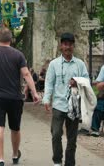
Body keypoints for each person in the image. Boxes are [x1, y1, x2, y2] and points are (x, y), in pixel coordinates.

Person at [0, 28, 40, 166]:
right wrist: (34, 92)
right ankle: (14, 155)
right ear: (11, 39)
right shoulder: (18, 55)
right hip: (15, 97)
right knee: (15, 128)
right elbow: (26, 74)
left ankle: (0, 159)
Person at [43, 32, 89, 166]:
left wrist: (78, 82)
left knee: (72, 138)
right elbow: (49, 82)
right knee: (56, 134)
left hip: (74, 105)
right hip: (58, 104)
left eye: (70, 44)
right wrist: (46, 99)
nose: (67, 47)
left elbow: (87, 81)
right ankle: (57, 161)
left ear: (73, 46)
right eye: (65, 44)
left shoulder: (80, 64)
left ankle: (70, 163)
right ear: (61, 46)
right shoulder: (54, 64)